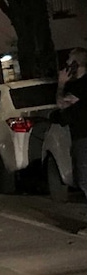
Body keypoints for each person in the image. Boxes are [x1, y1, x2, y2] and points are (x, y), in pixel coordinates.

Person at [58, 47, 87, 201]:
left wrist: (61, 84)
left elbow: (61, 104)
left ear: (75, 64)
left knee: (83, 179)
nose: (66, 65)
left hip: (83, 137)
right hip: (80, 135)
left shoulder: (79, 86)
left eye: (69, 61)